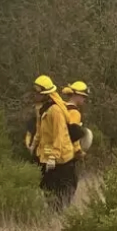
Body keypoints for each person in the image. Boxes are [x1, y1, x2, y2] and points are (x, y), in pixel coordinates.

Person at [29, 75, 77, 211]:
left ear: (45, 94)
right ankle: (53, 214)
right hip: (46, 157)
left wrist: (53, 157)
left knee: (61, 193)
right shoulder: (41, 109)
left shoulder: (55, 111)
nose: (34, 95)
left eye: (37, 92)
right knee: (47, 190)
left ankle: (59, 217)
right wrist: (34, 145)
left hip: (61, 160)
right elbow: (40, 131)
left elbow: (59, 136)